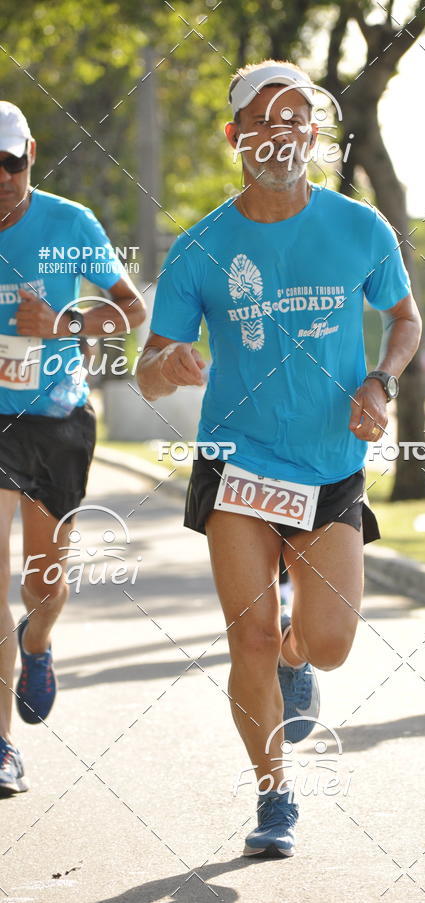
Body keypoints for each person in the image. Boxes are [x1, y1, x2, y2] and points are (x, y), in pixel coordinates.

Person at [138, 60, 421, 858]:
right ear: (236, 137)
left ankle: (300, 656)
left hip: (329, 465)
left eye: (294, 118)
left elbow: (405, 319)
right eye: (261, 120)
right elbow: (149, 366)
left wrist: (381, 380)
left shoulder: (359, 227)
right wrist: (170, 365)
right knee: (250, 638)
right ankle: (273, 793)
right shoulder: (201, 247)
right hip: (238, 463)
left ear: (314, 133)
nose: (278, 133)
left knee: (328, 642)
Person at [0, 102, 146, 795]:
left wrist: (61, 322)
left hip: (56, 419)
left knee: (43, 583)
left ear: (31, 153)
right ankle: (2, 744)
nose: (1, 177)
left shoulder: (70, 224)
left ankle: (38, 640)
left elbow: (130, 310)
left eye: (10, 162)